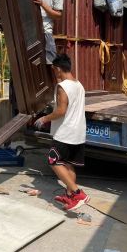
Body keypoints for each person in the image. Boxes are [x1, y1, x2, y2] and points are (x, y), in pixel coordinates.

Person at [34, 54, 89, 212]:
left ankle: (78, 194)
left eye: (54, 70)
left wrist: (44, 119)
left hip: (65, 132)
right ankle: (70, 195)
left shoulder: (62, 87)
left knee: (53, 161)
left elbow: (61, 111)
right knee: (68, 164)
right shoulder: (78, 84)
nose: (54, 73)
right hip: (78, 132)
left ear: (58, 69)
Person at [32, 0, 63, 64]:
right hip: (31, 30)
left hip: (46, 31)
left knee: (51, 62)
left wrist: (42, 4)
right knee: (30, 62)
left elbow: (58, 16)